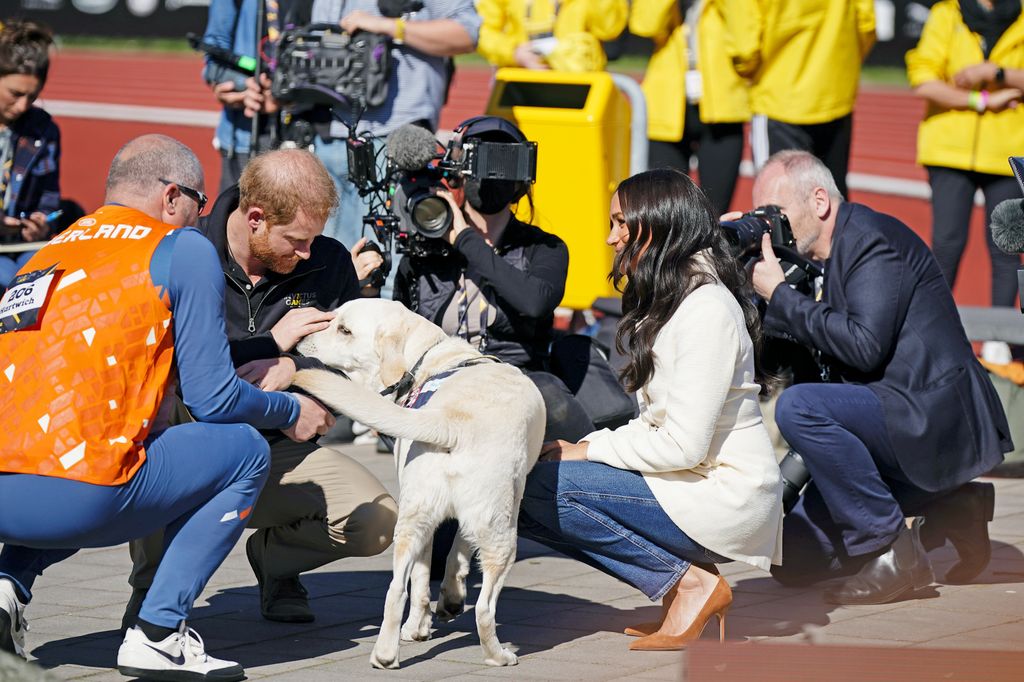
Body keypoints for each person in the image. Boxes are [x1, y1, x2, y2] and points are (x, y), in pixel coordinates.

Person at [0, 134, 334, 680]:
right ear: (172, 196)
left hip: (6, 495)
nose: (201, 218)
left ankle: (6, 587)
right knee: (245, 450)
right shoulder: (183, 248)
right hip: (82, 500)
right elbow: (214, 398)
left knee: (73, 436)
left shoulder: (48, 252)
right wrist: (288, 411)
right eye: (201, 205)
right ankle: (158, 632)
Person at [121, 148, 397, 630]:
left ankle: (276, 562)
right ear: (255, 219)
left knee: (375, 520)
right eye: (297, 240)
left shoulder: (328, 263)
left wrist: (293, 366)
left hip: (280, 444)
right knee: (154, 421)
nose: (309, 252)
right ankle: (151, 592)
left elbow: (357, 363)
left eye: (313, 239)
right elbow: (171, 364)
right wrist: (264, 345)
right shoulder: (187, 251)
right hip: (192, 434)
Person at [519, 167, 784, 651]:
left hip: (724, 496)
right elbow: (659, 428)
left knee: (541, 485)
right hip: (689, 484)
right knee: (519, 488)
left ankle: (692, 586)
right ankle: (681, 587)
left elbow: (683, 445)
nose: (610, 237)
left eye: (621, 223)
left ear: (659, 225)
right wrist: (586, 447)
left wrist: (586, 451)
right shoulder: (675, 298)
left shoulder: (707, 310)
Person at [749, 151, 1013, 602]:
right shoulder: (820, 260)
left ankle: (890, 550)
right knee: (790, 557)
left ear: (819, 201)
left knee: (800, 407)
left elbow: (863, 347)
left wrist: (779, 296)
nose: (771, 226)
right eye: (762, 217)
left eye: (777, 213)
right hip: (888, 418)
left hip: (928, 415)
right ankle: (953, 508)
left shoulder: (871, 241)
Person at [244, 0, 481, 295]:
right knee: (318, 272)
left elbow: (467, 33)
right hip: (321, 136)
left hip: (390, 139)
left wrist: (388, 26)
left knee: (383, 273)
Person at [393, 116, 594, 444]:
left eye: (505, 160)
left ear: (522, 179)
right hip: (438, 379)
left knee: (555, 402)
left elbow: (535, 301)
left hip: (515, 379)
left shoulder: (544, 247)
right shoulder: (424, 249)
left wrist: (464, 239)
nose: (490, 176)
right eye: (483, 159)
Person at [906, 0, 1024, 309]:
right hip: (948, 151)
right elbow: (923, 80)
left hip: (1008, 151)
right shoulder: (947, 14)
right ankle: (934, 325)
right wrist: (981, 100)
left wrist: (996, 73)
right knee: (947, 244)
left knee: (1007, 248)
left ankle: (1001, 338)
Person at [721, 0, 875, 198]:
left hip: (779, 98)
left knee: (778, 206)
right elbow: (866, 23)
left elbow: (745, 47)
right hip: (835, 95)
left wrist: (749, 69)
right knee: (833, 206)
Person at [629, 0, 748, 215]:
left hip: (723, 106)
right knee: (665, 214)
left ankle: (710, 251)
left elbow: (746, 40)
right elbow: (645, 24)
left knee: (716, 216)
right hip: (664, 106)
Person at [0, 19, 60, 289]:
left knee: (50, 278)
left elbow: (49, 200)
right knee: (7, 282)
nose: (23, 105)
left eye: (32, 97)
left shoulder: (44, 130)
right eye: (15, 94)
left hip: (23, 244)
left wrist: (41, 223)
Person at [200, 0, 274, 193]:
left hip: (309, 138)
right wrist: (242, 85)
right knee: (236, 220)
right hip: (244, 138)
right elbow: (213, 55)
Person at [476, 0, 627, 72]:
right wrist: (514, 52)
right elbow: (481, 30)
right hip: (520, 80)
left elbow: (608, 29)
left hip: (579, 82)